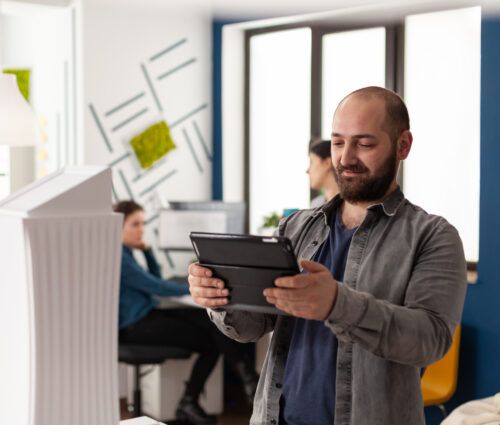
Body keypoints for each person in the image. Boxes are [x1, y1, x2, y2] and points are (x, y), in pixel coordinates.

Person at [187, 86, 468, 425]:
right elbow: (253, 326)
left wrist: (337, 304)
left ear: (403, 145)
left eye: (364, 144)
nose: (346, 158)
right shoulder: (295, 227)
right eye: (338, 142)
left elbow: (430, 341)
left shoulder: (433, 237)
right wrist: (222, 297)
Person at [114, 200, 258, 425]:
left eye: (142, 224)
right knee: (212, 340)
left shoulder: (126, 253)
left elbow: (156, 279)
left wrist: (148, 251)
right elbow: (158, 287)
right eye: (135, 224)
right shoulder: (119, 257)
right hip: (136, 326)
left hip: (146, 317)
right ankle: (199, 398)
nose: (141, 230)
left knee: (211, 321)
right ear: (118, 227)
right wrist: (199, 286)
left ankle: (242, 379)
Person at [307, 137, 339, 207]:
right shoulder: (315, 205)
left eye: (311, 162)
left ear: (327, 163)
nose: (307, 171)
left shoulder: (353, 205)